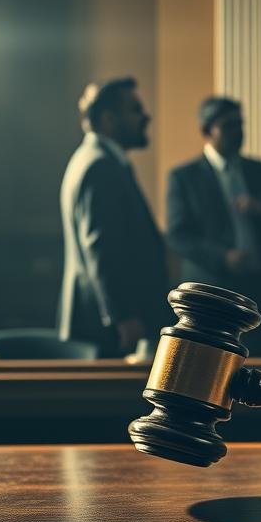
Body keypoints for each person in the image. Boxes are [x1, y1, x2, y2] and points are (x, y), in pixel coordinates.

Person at [166, 97, 261, 355]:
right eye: (229, 125)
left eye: (240, 124)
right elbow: (177, 235)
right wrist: (223, 257)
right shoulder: (184, 177)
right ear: (206, 131)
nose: (238, 131)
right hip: (211, 296)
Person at [58, 77, 170, 357]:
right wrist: (123, 316)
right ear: (108, 119)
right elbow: (102, 248)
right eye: (135, 109)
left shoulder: (94, 159)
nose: (146, 116)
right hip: (112, 329)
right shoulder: (100, 166)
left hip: (108, 321)